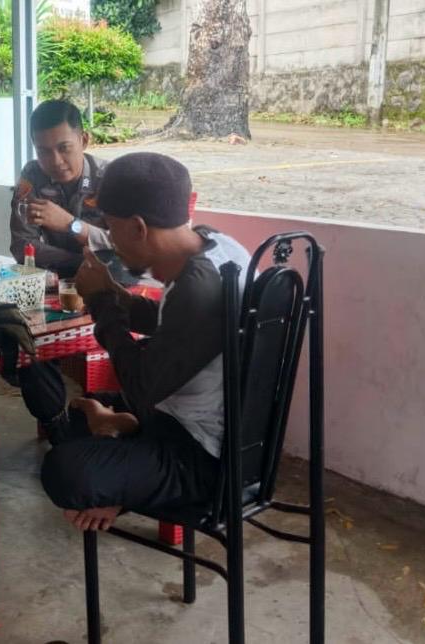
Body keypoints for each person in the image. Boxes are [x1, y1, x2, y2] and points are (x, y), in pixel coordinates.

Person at [39, 152, 252, 531]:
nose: (110, 241)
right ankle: (123, 439)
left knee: (63, 471)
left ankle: (122, 471)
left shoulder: (197, 289)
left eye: (111, 228)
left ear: (138, 227)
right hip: (204, 426)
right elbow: (177, 327)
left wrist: (101, 303)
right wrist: (115, 293)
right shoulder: (218, 247)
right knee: (71, 417)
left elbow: (140, 387)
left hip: (202, 458)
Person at [9, 100, 110, 438]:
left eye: (64, 147)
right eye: (43, 151)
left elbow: (125, 250)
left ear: (84, 139)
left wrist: (70, 225)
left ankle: (103, 425)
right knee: (24, 337)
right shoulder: (32, 177)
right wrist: (85, 259)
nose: (54, 160)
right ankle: (57, 428)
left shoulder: (110, 180)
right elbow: (24, 249)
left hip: (108, 289)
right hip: (55, 289)